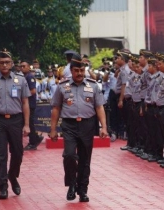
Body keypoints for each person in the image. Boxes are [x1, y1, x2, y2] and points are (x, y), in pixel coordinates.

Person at [49, 53, 107, 202]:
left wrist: (103, 127)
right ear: (71, 70)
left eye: (82, 70)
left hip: (88, 125)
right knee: (68, 155)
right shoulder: (62, 86)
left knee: (85, 159)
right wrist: (53, 129)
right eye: (76, 70)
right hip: (69, 125)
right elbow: (56, 108)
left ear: (85, 70)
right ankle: (72, 184)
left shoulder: (93, 85)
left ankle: (83, 189)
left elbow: (99, 107)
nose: (80, 73)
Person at [0, 48, 31, 199]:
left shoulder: (20, 79)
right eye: (1, 63)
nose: (4, 65)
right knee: (1, 154)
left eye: (7, 62)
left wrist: (27, 124)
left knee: (18, 152)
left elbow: (25, 102)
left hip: (16, 120)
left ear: (11, 64)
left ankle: (12, 176)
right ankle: (3, 186)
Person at [21, 61, 44, 150]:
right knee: (28, 123)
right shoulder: (25, 76)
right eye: (21, 66)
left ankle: (33, 142)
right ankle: (36, 138)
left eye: (24, 66)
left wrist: (23, 96)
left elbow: (33, 91)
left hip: (30, 104)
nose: (22, 68)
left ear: (28, 67)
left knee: (30, 123)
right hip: (26, 104)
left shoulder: (30, 76)